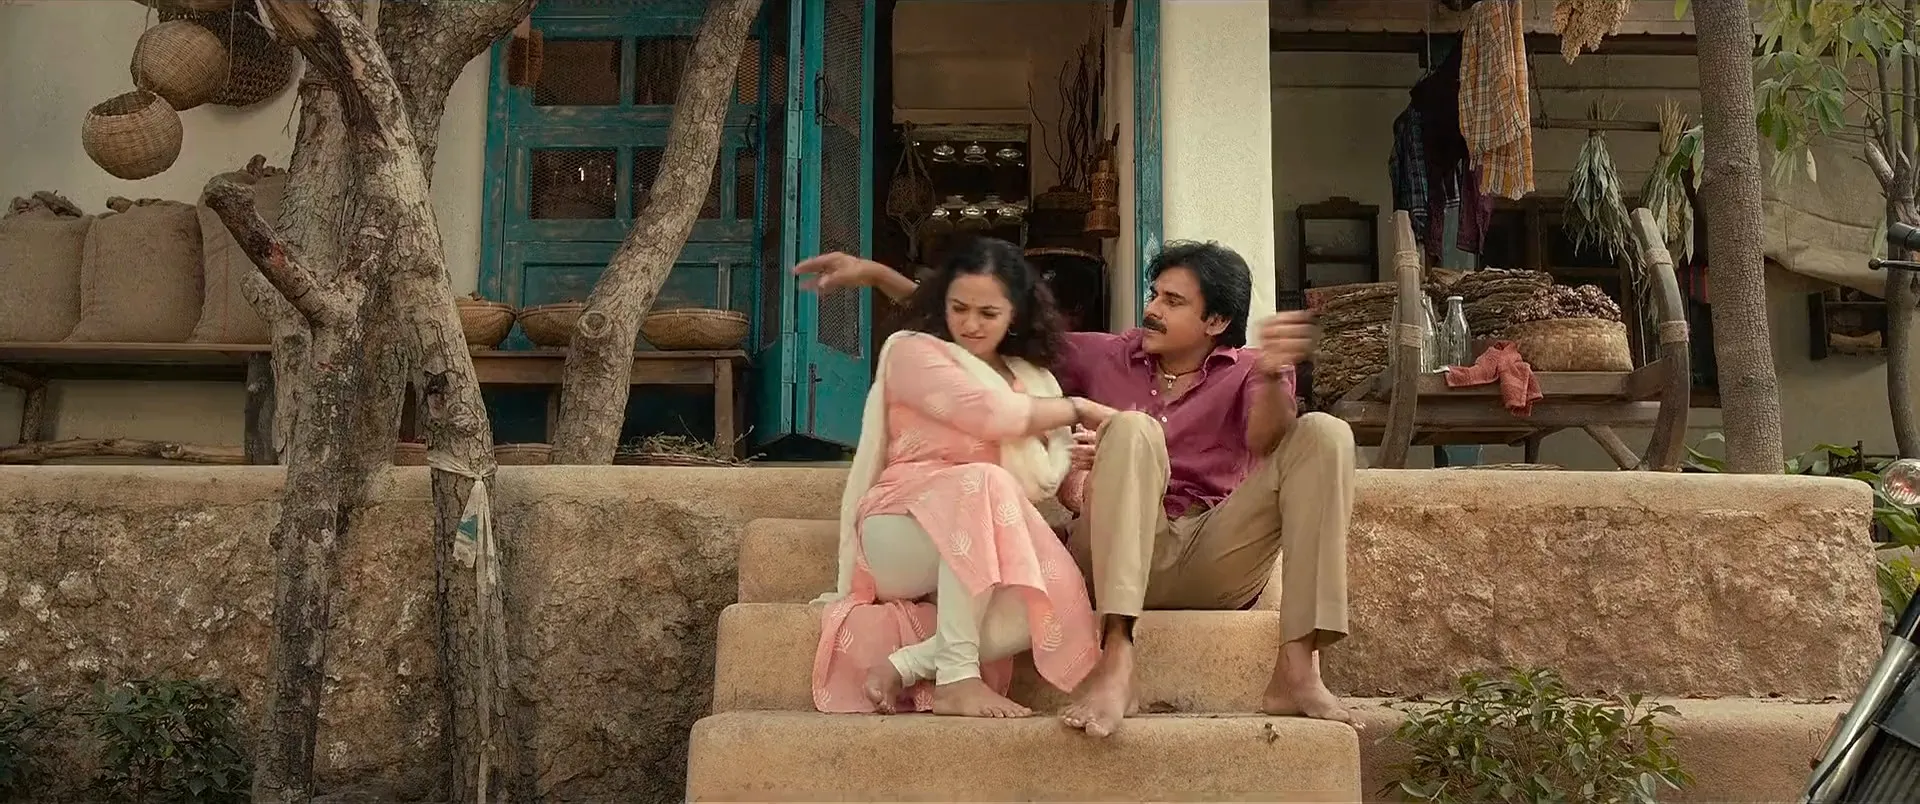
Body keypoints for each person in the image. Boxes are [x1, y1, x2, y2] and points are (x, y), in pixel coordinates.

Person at [796, 240, 1354, 737]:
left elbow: (1268, 439)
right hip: (1107, 554)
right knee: (1131, 428)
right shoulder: (1108, 355)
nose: (1152, 309)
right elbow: (985, 318)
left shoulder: (1251, 370)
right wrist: (877, 276)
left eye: (1173, 301)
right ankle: (1117, 661)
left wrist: (1274, 375)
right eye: (1154, 295)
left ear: (1217, 320)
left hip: (1212, 550)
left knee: (1325, 434)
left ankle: (1297, 669)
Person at [809, 236, 1112, 719]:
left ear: (1015, 312)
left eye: (988, 313)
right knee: (983, 482)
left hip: (983, 540)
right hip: (899, 530)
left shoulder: (1035, 383)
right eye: (959, 308)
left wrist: (1097, 468)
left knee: (1057, 598)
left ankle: (907, 664)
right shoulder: (914, 353)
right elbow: (988, 415)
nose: (970, 324)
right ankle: (956, 678)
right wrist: (1077, 407)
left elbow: (1060, 477)